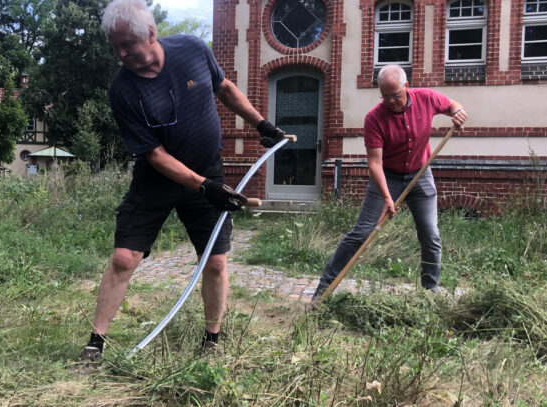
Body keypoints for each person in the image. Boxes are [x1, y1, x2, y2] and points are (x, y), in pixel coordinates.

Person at [77, 0, 286, 364]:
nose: (121, 54)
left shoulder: (192, 49)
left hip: (208, 170)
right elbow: (155, 156)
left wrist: (261, 124)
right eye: (115, 46)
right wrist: (203, 185)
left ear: (152, 34)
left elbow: (224, 88)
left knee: (216, 262)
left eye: (127, 44)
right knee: (125, 257)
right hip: (156, 180)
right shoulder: (122, 90)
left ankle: (212, 341)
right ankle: (95, 343)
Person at [310, 64, 468, 302]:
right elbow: (374, 163)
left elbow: (453, 105)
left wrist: (458, 113)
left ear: (406, 86)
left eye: (396, 94)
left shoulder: (426, 98)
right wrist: (386, 196)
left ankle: (430, 292)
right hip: (387, 177)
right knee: (362, 233)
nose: (392, 100)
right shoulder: (374, 118)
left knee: (430, 234)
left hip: (420, 175)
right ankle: (324, 288)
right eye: (386, 96)